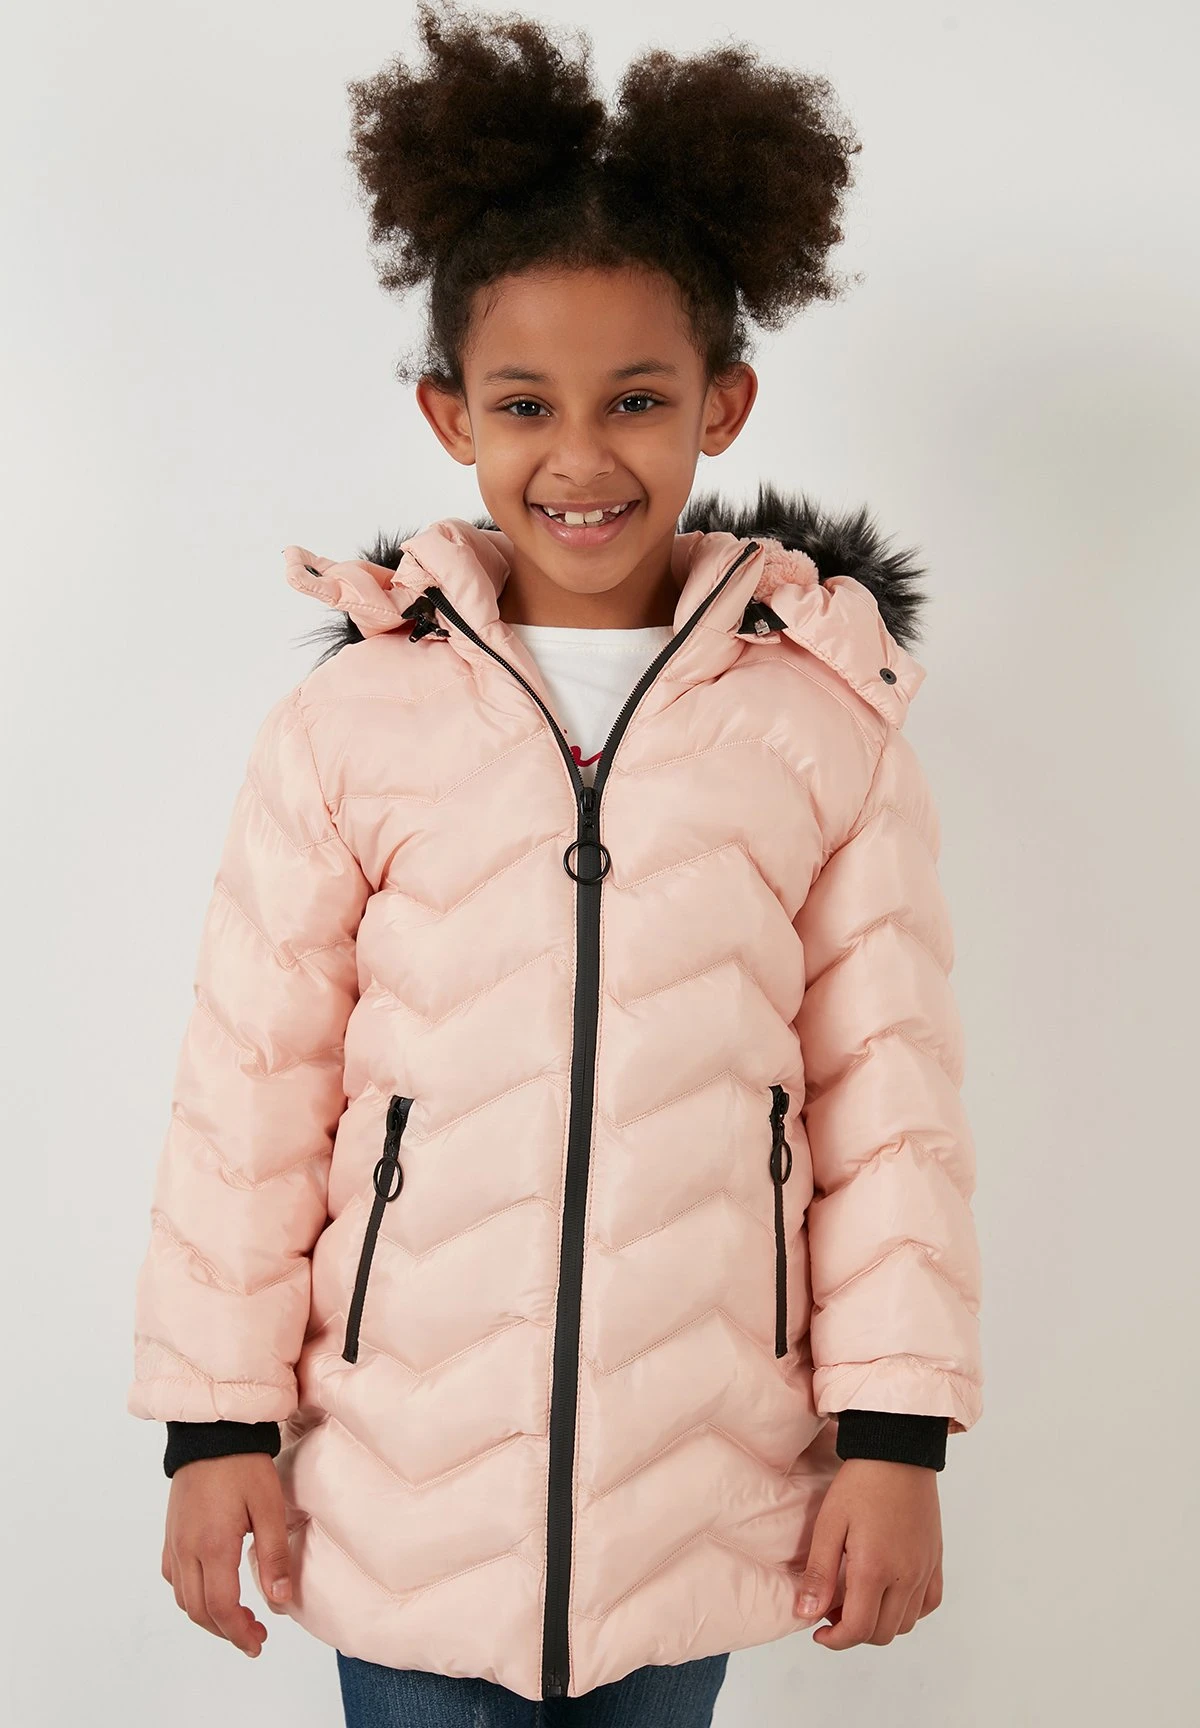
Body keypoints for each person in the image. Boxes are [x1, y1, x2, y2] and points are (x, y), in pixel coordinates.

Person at [126, 4, 984, 1723]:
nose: (582, 458)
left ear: (723, 403)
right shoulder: (354, 723)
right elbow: (249, 1093)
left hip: (695, 1476)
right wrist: (216, 1426)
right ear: (451, 414)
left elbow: (886, 1101)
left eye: (638, 400)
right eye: (525, 403)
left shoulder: (824, 729)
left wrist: (897, 1438)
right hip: (401, 1480)